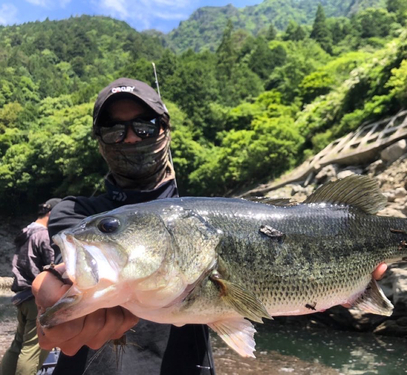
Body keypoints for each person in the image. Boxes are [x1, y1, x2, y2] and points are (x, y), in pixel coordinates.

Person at [32, 77, 388, 375]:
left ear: (165, 131)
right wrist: (57, 304)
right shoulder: (75, 214)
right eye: (113, 130)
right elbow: (64, 283)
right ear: (99, 140)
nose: (130, 138)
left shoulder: (209, 216)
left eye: (144, 126)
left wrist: (339, 284)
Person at [1, 198, 61, 375]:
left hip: (22, 297)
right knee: (34, 349)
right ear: (52, 214)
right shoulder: (44, 235)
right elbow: (54, 266)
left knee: (18, 345)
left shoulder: (26, 231)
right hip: (38, 299)